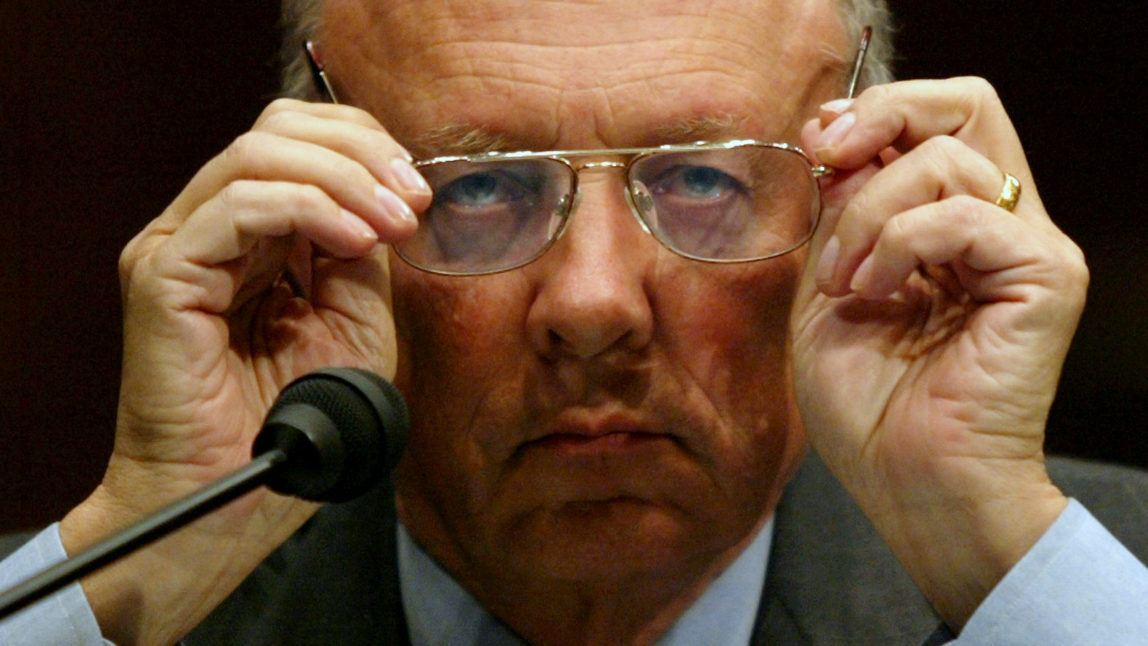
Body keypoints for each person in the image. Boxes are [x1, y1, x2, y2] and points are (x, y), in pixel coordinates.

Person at [2, 0, 1147, 644]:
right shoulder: (90, 617)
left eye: (701, 176)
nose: (592, 303)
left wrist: (986, 550)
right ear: (313, 230)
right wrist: (139, 571)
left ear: (877, 181)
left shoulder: (1095, 588)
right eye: (478, 188)